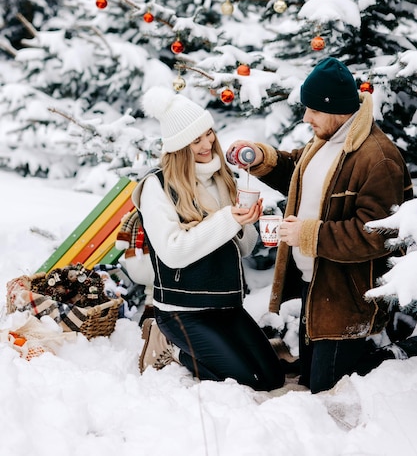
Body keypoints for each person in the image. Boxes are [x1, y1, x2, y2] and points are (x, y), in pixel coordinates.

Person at [228, 57, 416, 394]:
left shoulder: (377, 158)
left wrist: (307, 234)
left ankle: (398, 356)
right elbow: (299, 172)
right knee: (311, 380)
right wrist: (261, 157)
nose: (306, 117)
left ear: (337, 109)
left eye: (313, 109)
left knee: (328, 389)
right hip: (316, 289)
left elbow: (377, 235)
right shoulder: (328, 140)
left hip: (347, 297)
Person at [133, 85, 285, 392]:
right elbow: (173, 252)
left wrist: (245, 223)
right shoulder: (157, 186)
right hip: (183, 312)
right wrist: (228, 219)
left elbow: (241, 249)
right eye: (195, 140)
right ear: (177, 146)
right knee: (244, 383)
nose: (207, 144)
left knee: (272, 378)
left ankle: (196, 350)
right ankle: (172, 349)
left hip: (225, 305)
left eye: (208, 134)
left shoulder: (222, 177)